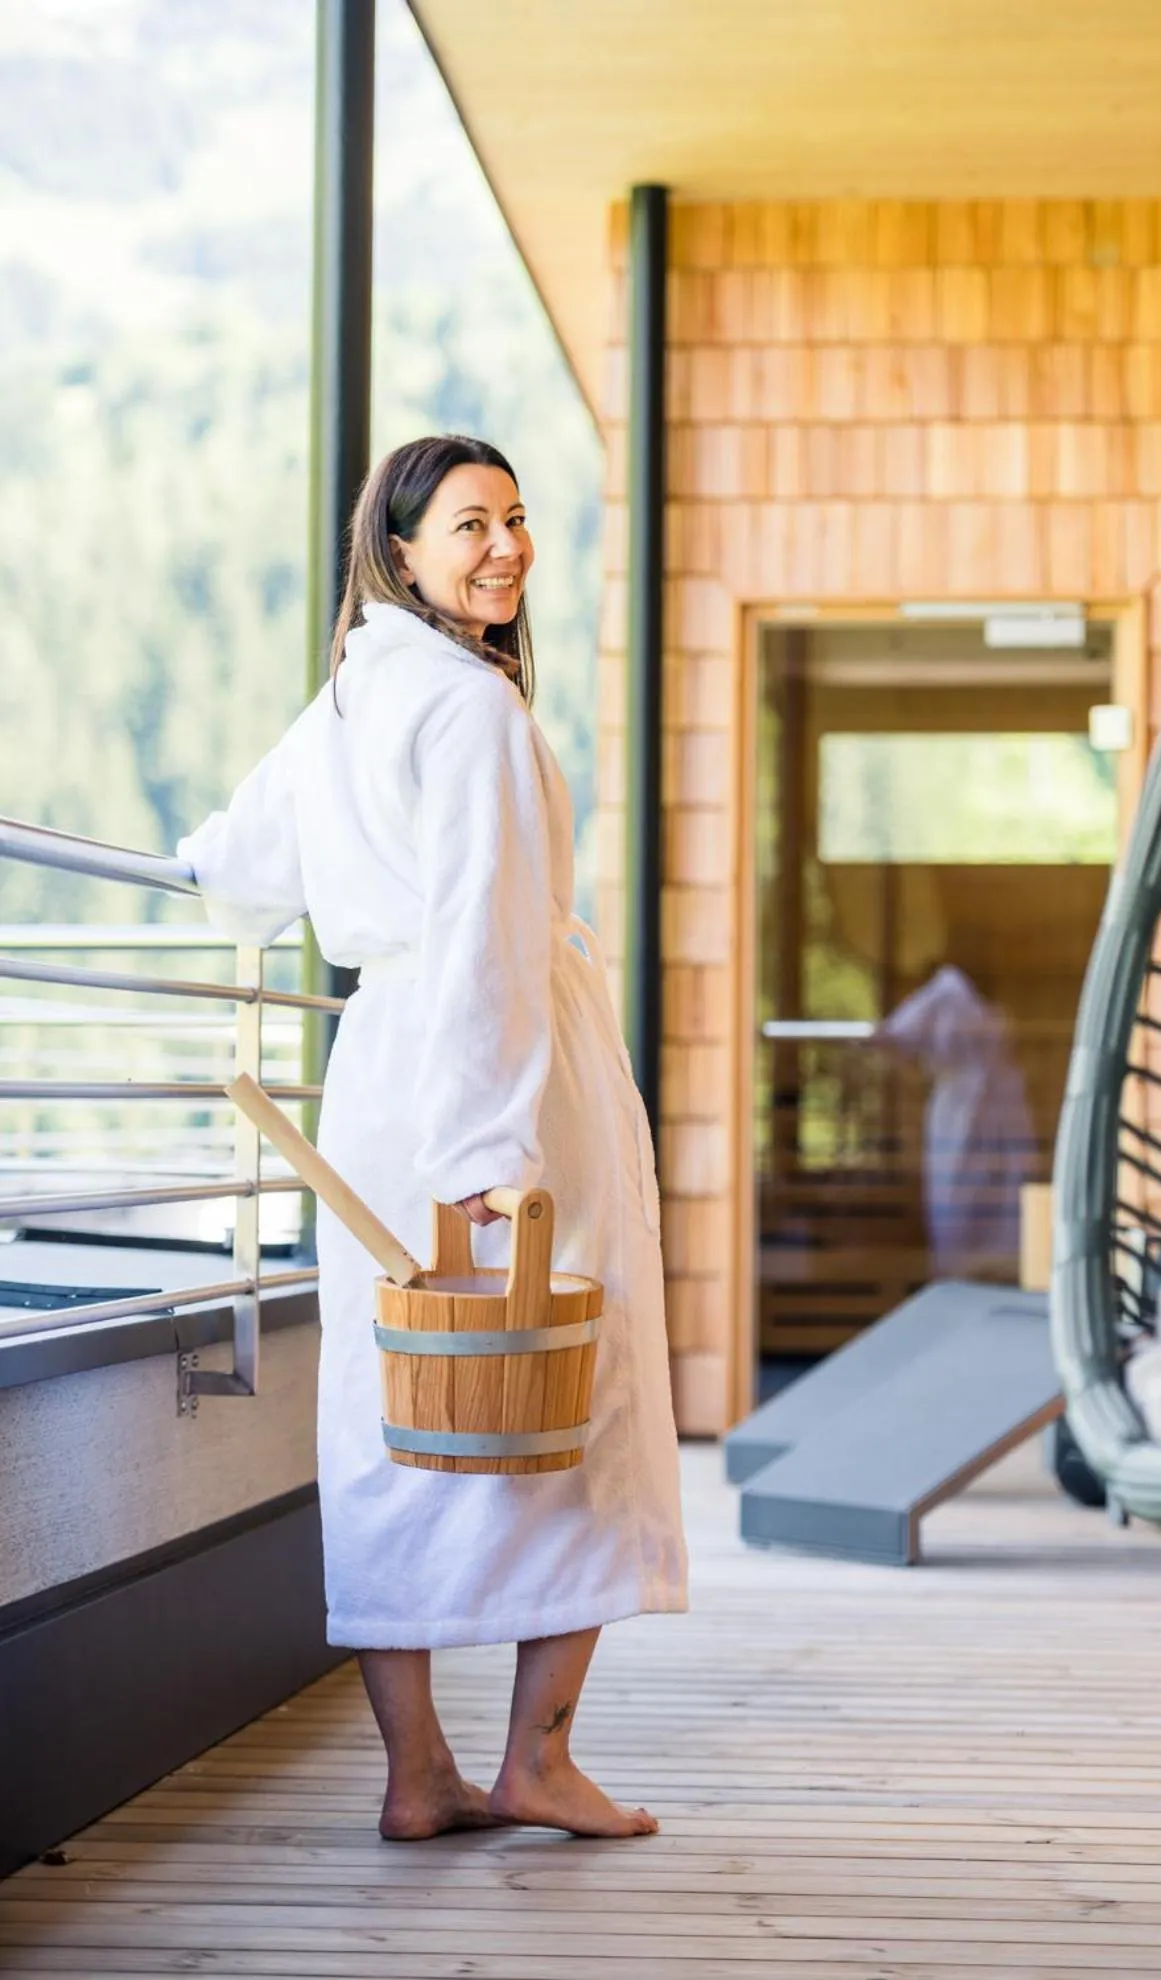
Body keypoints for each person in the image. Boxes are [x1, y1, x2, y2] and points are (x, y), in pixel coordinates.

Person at [178, 434, 688, 1842]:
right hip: (491, 1087)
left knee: (390, 1414)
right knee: (577, 1395)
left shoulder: (351, 698)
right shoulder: (469, 713)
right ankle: (535, 1760)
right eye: (471, 525)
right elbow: (483, 949)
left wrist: (189, 860)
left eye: (516, 520)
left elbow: (240, 862)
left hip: (381, 1079)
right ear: (398, 553)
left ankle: (418, 1778)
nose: (506, 548)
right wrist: (494, 1162)